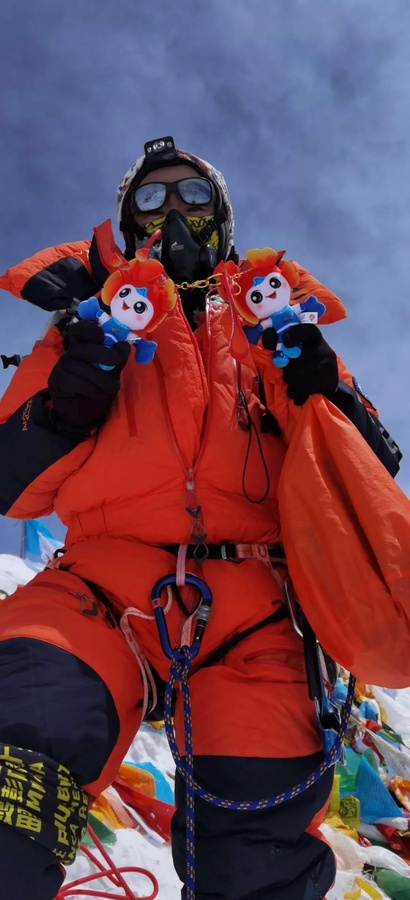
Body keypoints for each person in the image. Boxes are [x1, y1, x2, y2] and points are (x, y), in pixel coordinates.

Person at [0, 135, 402, 900]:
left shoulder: (274, 325)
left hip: (257, 611)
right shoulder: (87, 328)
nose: (173, 212)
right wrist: (65, 402)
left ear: (223, 216)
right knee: (21, 738)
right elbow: (14, 492)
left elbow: (372, 472)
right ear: (126, 221)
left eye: (192, 195)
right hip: (100, 584)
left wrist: (326, 391)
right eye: (151, 199)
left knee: (257, 862)